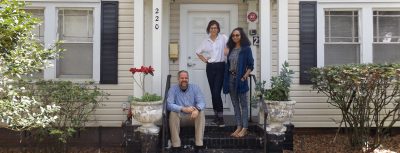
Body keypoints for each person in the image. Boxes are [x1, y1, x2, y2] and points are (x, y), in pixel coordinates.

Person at [195, 20, 228, 127]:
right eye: (211, 28)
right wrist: (205, 60)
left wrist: (227, 53)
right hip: (210, 67)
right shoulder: (206, 41)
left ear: (218, 29)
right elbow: (198, 52)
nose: (213, 29)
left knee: (216, 93)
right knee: (213, 93)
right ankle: (216, 117)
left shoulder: (223, 38)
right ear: (209, 29)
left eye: (215, 27)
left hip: (220, 67)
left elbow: (229, 48)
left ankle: (221, 118)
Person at [223, 27, 254, 138]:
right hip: (230, 78)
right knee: (235, 104)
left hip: (240, 80)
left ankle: (245, 128)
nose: (235, 37)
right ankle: (239, 126)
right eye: (233, 35)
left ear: (241, 36)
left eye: (237, 35)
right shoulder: (230, 49)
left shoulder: (246, 49)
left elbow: (250, 65)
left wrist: (244, 77)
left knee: (243, 104)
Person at [167, 70, 206, 153]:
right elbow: (169, 105)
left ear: (188, 79)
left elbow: (202, 102)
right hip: (180, 118)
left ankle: (199, 145)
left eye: (186, 78)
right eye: (182, 78)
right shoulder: (173, 89)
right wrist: (182, 109)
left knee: (201, 112)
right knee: (173, 113)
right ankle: (176, 145)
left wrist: (197, 109)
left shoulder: (195, 88)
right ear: (178, 79)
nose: (184, 79)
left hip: (192, 117)